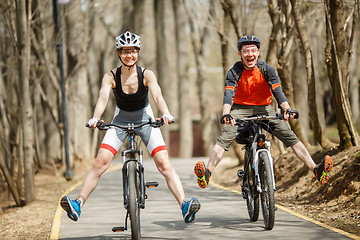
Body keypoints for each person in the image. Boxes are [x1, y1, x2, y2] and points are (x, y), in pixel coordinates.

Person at [61, 31, 200, 224]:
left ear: (138, 52)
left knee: (164, 163)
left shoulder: (146, 74)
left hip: (145, 118)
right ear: (119, 53)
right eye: (125, 51)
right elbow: (102, 99)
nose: (130, 55)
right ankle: (78, 204)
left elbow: (158, 96)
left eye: (134, 51)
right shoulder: (110, 76)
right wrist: (95, 118)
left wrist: (166, 113)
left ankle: (184, 205)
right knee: (100, 162)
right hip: (120, 120)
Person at [194, 35, 333, 189]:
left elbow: (278, 92)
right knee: (225, 138)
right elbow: (228, 95)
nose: (250, 54)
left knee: (290, 137)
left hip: (264, 108)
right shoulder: (234, 72)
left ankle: (316, 170)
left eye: (253, 50)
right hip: (239, 109)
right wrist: (226, 114)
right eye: (246, 51)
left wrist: (286, 109)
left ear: (258, 52)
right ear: (240, 54)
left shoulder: (267, 70)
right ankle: (206, 174)